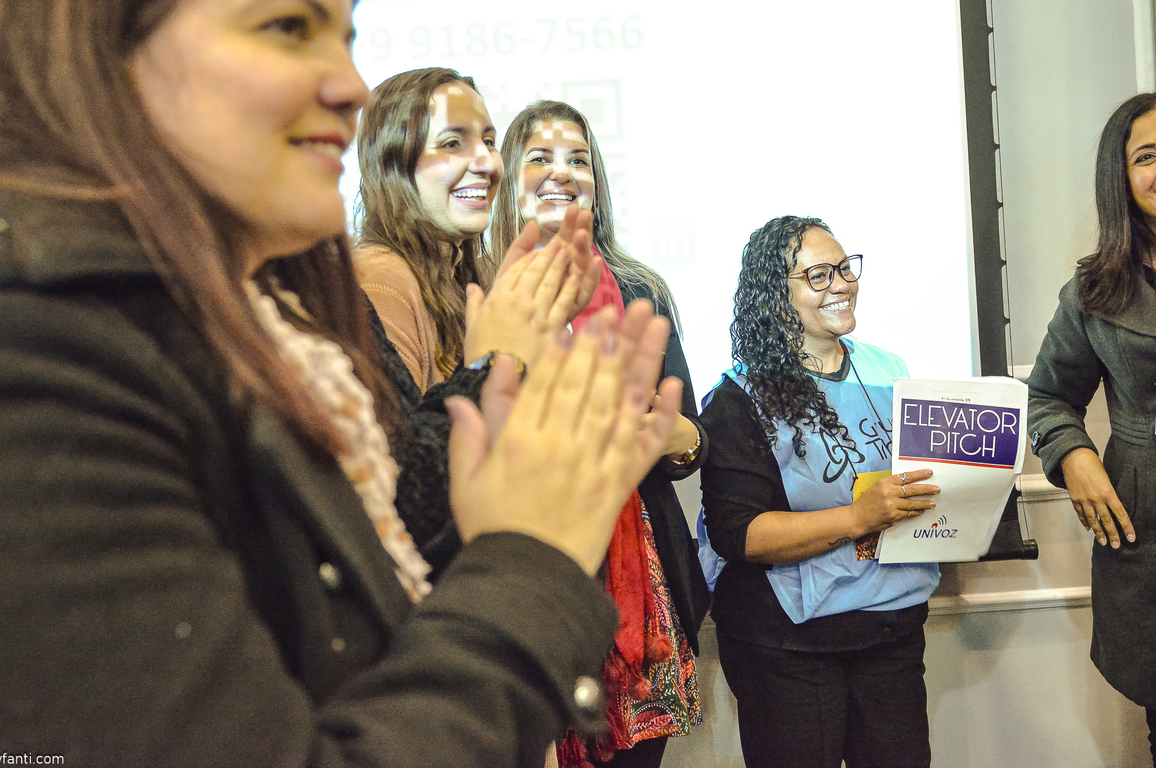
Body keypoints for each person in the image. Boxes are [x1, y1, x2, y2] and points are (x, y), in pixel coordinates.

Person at [0, 0, 685, 764]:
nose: (350, 86)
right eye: (287, 28)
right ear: (108, 52)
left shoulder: (276, 308)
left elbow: (365, 576)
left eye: (344, 37)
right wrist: (531, 561)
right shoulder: (29, 353)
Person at [489, 100, 711, 768]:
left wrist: (658, 432)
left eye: (579, 159)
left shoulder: (643, 288)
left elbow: (693, 442)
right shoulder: (477, 288)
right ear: (508, 177)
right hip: (524, 586)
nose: (562, 173)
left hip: (642, 597)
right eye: (540, 158)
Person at [698, 216, 941, 768]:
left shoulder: (890, 370)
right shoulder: (739, 398)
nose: (841, 283)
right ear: (775, 297)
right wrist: (858, 518)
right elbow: (740, 536)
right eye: (818, 274)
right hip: (787, 647)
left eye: (845, 267)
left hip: (891, 628)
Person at [1027, 92, 1156, 762]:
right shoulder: (1094, 292)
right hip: (1147, 533)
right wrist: (1075, 458)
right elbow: (1048, 397)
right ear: (1121, 178)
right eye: (1147, 156)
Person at [353, 68, 596, 394]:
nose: (488, 163)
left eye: (488, 142)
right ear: (394, 164)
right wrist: (499, 361)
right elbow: (398, 441)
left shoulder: (468, 272)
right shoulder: (383, 280)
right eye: (452, 143)